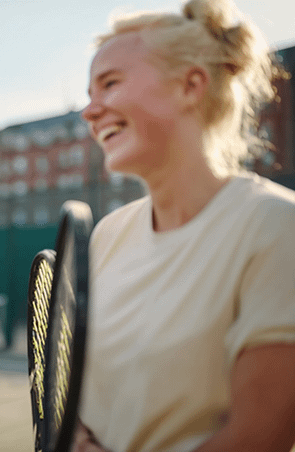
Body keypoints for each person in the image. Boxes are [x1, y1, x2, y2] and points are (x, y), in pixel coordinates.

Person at [74, 0, 295, 451]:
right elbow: (79, 400)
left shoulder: (276, 226)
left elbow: (260, 437)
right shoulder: (107, 236)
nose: (89, 111)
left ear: (191, 85)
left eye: (110, 83)